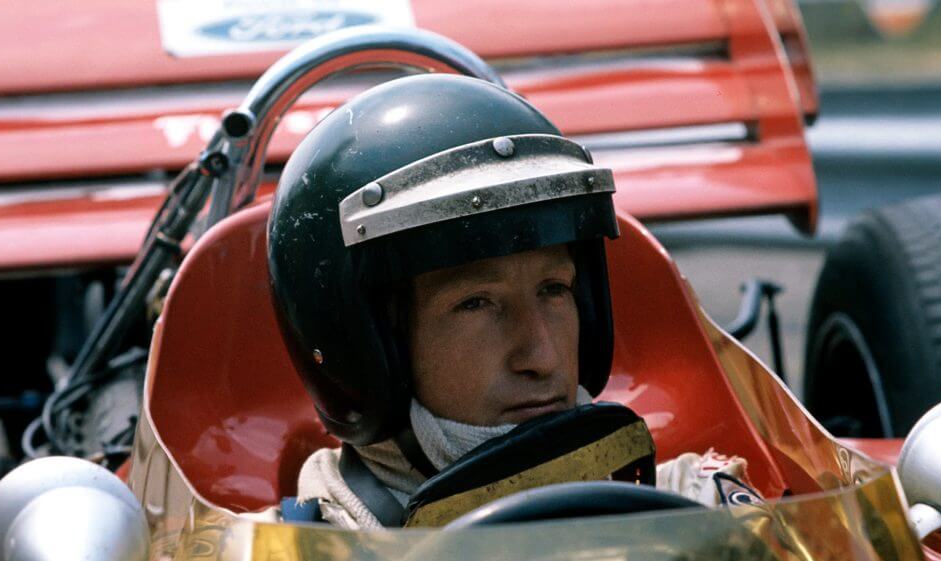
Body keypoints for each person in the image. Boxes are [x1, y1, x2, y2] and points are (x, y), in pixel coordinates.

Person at [267, 74, 758, 529]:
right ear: (363, 348)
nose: (542, 358)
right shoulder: (285, 551)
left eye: (554, 289)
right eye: (477, 303)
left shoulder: (698, 508)